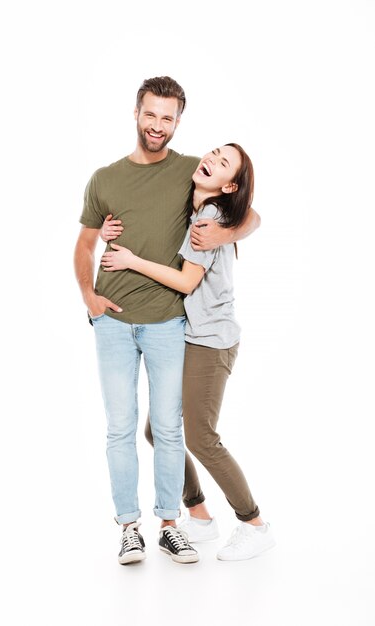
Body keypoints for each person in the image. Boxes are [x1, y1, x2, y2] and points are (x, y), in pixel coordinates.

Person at [74, 76, 260, 565]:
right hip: (112, 322)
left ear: (178, 122)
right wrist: (89, 296)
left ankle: (177, 524)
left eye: (168, 117)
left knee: (176, 431)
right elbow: (85, 243)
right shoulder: (106, 177)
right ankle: (130, 527)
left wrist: (220, 235)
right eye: (151, 114)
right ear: (136, 113)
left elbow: (251, 214)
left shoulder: (193, 174)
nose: (158, 125)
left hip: (171, 325)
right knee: (124, 427)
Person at [100, 142, 276, 561]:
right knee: (153, 431)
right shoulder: (196, 203)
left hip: (211, 341)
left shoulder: (212, 216)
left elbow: (186, 282)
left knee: (200, 435)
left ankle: (254, 524)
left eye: (223, 163)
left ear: (230, 184)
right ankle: (198, 515)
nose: (210, 160)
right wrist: (108, 231)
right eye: (214, 152)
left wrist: (130, 260)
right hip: (189, 334)